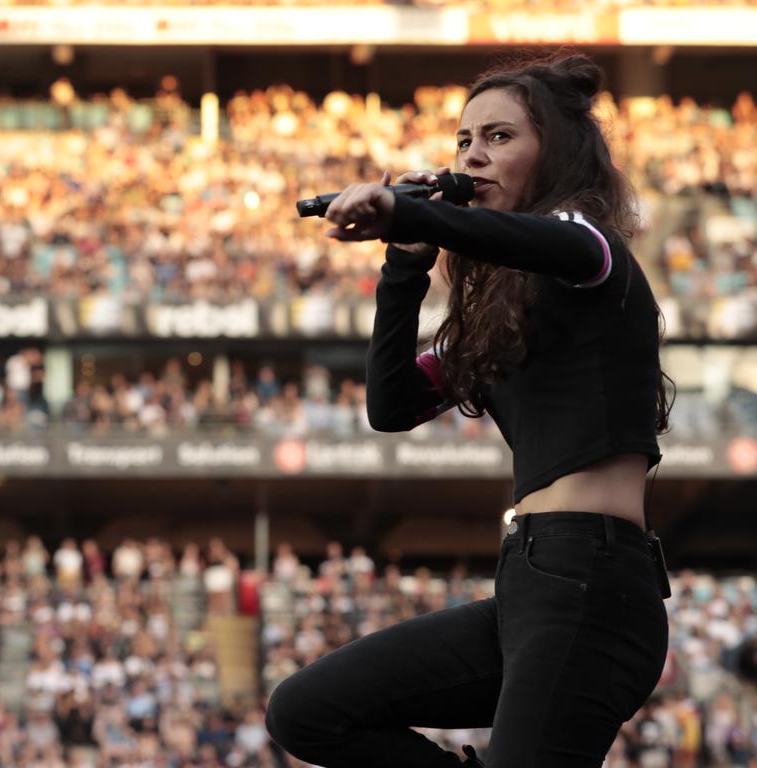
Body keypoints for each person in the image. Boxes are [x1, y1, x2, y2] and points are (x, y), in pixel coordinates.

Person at [265, 50, 674, 768]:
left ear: (556, 151)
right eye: (463, 141)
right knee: (307, 712)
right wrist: (406, 257)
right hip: (530, 581)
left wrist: (404, 207)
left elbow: (541, 241)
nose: (473, 156)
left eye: (499, 137)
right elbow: (390, 406)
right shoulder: (505, 315)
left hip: (594, 584)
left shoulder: (591, 250)